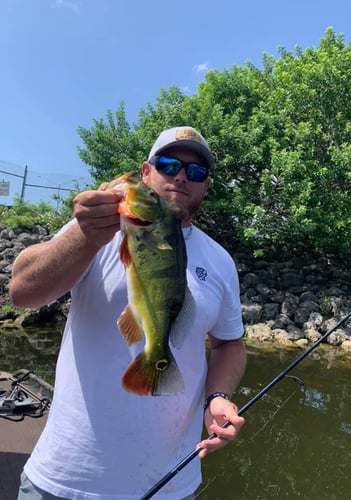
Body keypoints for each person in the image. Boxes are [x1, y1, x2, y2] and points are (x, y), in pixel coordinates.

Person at [10, 126, 247, 500]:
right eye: (169, 164)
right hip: (64, 480)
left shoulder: (220, 261)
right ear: (146, 171)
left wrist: (217, 396)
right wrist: (86, 236)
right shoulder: (96, 229)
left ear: (206, 186)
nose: (181, 176)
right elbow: (22, 293)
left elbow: (230, 342)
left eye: (195, 172)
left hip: (169, 486)